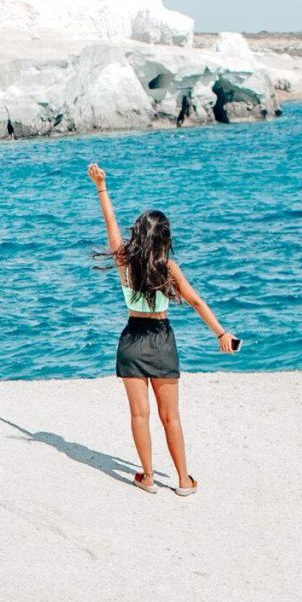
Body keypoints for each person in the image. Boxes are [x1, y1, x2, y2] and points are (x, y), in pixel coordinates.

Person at [87, 163, 239, 494]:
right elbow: (197, 303)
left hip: (131, 341)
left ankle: (148, 476)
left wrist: (101, 186)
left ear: (138, 235)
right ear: (165, 238)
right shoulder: (169, 268)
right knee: (171, 417)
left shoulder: (123, 261)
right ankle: (184, 480)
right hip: (161, 341)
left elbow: (110, 224)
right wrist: (221, 334)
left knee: (139, 415)